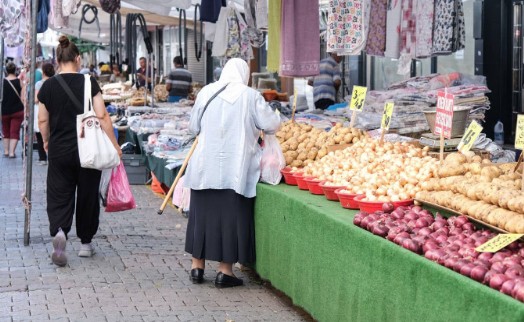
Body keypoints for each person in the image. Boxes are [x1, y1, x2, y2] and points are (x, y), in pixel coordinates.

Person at [184, 58, 281, 288]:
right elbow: (272, 124)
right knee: (230, 216)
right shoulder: (250, 96)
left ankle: (197, 267)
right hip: (235, 167)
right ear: (244, 74)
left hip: (204, 165)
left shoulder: (206, 91)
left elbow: (192, 127)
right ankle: (224, 271)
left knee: (202, 215)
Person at [37, 35, 122, 267]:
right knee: (87, 195)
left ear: (57, 60)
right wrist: (115, 145)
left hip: (59, 149)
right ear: (77, 58)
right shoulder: (89, 82)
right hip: (89, 150)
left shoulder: (47, 86)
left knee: (59, 194)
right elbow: (102, 115)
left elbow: (42, 120)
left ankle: (60, 232)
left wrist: (46, 142)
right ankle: (85, 243)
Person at [34, 62, 55, 165]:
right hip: (54, 112)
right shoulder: (56, 82)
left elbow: (36, 99)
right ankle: (51, 157)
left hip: (41, 111)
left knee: (40, 135)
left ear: (43, 72)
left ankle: (43, 158)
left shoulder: (39, 84)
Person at [2, 62, 25, 158]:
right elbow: (23, 97)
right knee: (14, 132)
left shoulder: (2, 82)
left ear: (6, 71)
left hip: (4, 111)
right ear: (15, 70)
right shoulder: (19, 82)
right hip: (17, 111)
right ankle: (12, 153)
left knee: (5, 131)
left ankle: (6, 151)